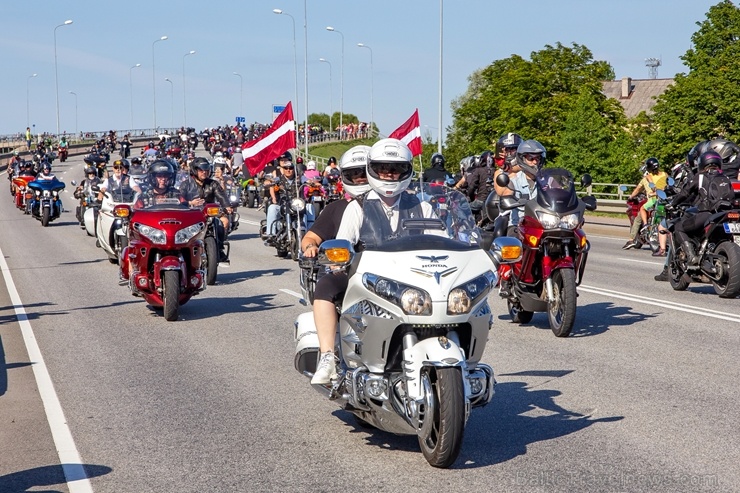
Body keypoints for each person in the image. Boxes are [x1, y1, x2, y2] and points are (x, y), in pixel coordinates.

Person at [310, 139, 439, 384]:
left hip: (413, 280)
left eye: (397, 168)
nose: (389, 174)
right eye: (383, 168)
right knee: (326, 285)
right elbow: (343, 243)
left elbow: (441, 241)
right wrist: (338, 260)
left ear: (408, 170)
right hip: (368, 279)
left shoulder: (423, 206)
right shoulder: (357, 207)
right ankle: (328, 357)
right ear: (373, 169)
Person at [302, 145, 371, 385]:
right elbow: (311, 237)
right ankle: (328, 356)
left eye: (364, 171)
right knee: (325, 288)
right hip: (352, 272)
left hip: (389, 273)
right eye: (354, 173)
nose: (360, 178)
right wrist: (310, 246)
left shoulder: (395, 205)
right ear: (345, 177)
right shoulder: (336, 208)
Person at [669, 150, 732, 268]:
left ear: (702, 163)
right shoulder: (725, 176)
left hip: (707, 214)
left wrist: (673, 203)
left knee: (678, 227)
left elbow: (685, 192)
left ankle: (692, 256)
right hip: (726, 214)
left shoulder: (701, 176)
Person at [179, 157, 232, 263]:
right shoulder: (186, 184)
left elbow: (221, 195)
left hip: (209, 214)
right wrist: (190, 203)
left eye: (206, 170)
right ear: (195, 170)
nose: (204, 172)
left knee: (225, 221)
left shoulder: (213, 184)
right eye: (201, 170)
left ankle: (219, 248)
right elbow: (179, 200)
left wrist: (227, 206)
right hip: (191, 214)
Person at [623, 157, 668, 250]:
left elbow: (638, 190)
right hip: (666, 198)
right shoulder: (665, 174)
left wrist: (630, 197)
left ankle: (636, 234)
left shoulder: (647, 177)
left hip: (654, 199)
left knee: (641, 212)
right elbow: (667, 185)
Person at [265, 152, 299, 240]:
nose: (288, 170)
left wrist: (313, 182)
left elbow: (308, 180)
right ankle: (271, 234)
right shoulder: (278, 177)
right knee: (272, 208)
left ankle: (310, 232)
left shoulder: (298, 177)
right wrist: (268, 182)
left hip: (296, 204)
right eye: (286, 168)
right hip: (282, 203)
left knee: (309, 206)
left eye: (290, 168)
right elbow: (270, 181)